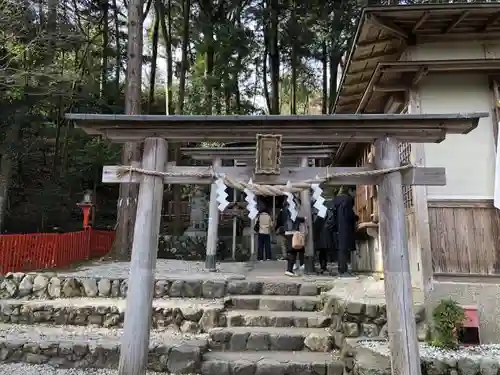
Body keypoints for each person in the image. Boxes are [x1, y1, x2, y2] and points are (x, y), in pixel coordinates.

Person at [333, 186, 358, 276]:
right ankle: (344, 271)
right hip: (346, 227)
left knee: (342, 249)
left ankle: (342, 269)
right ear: (351, 190)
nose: (356, 194)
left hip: (339, 227)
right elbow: (348, 215)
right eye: (355, 191)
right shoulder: (348, 200)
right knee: (344, 249)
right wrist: (356, 217)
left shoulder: (338, 200)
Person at [313, 203, 336, 274]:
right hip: (326, 236)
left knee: (322, 253)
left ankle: (323, 267)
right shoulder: (329, 215)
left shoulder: (320, 218)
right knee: (324, 252)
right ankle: (324, 266)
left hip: (321, 237)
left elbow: (316, 227)